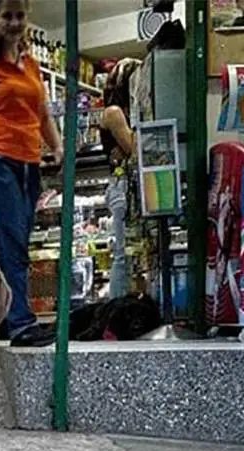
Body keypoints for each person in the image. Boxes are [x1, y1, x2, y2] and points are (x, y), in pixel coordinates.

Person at [0, 0, 63, 347]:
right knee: (11, 244)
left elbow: (44, 115)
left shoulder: (31, 65)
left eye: (20, 16)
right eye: (8, 16)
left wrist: (58, 147)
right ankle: (19, 323)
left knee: (15, 243)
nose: (15, 23)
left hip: (28, 163)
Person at [100, 58, 141, 299]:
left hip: (128, 185)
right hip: (121, 186)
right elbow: (134, 149)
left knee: (132, 252)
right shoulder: (114, 113)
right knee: (122, 253)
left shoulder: (128, 113)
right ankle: (117, 306)